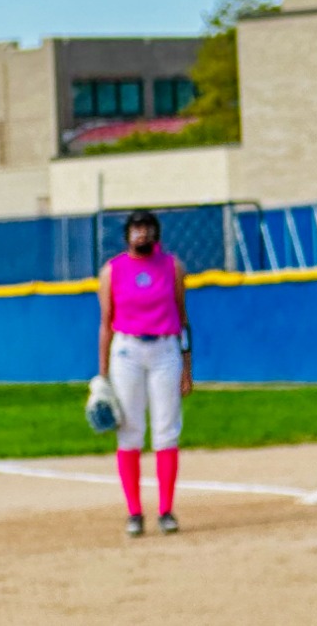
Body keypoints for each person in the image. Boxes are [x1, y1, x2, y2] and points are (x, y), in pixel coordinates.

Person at [96, 209, 191, 537]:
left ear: (156, 234)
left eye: (147, 228)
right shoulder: (112, 270)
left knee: (166, 429)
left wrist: (187, 367)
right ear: (127, 235)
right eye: (136, 228)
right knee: (130, 431)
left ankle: (166, 510)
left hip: (165, 349)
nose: (141, 234)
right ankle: (134, 512)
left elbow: (182, 317)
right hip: (127, 351)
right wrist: (102, 376)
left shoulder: (172, 266)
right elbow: (106, 322)